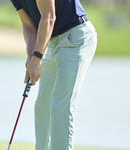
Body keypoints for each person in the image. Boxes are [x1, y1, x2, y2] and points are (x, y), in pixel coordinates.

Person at [10, 0, 97, 150]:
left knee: (60, 105)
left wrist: (37, 57)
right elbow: (28, 25)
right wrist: (31, 57)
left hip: (76, 37)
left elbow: (49, 16)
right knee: (42, 106)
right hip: (50, 43)